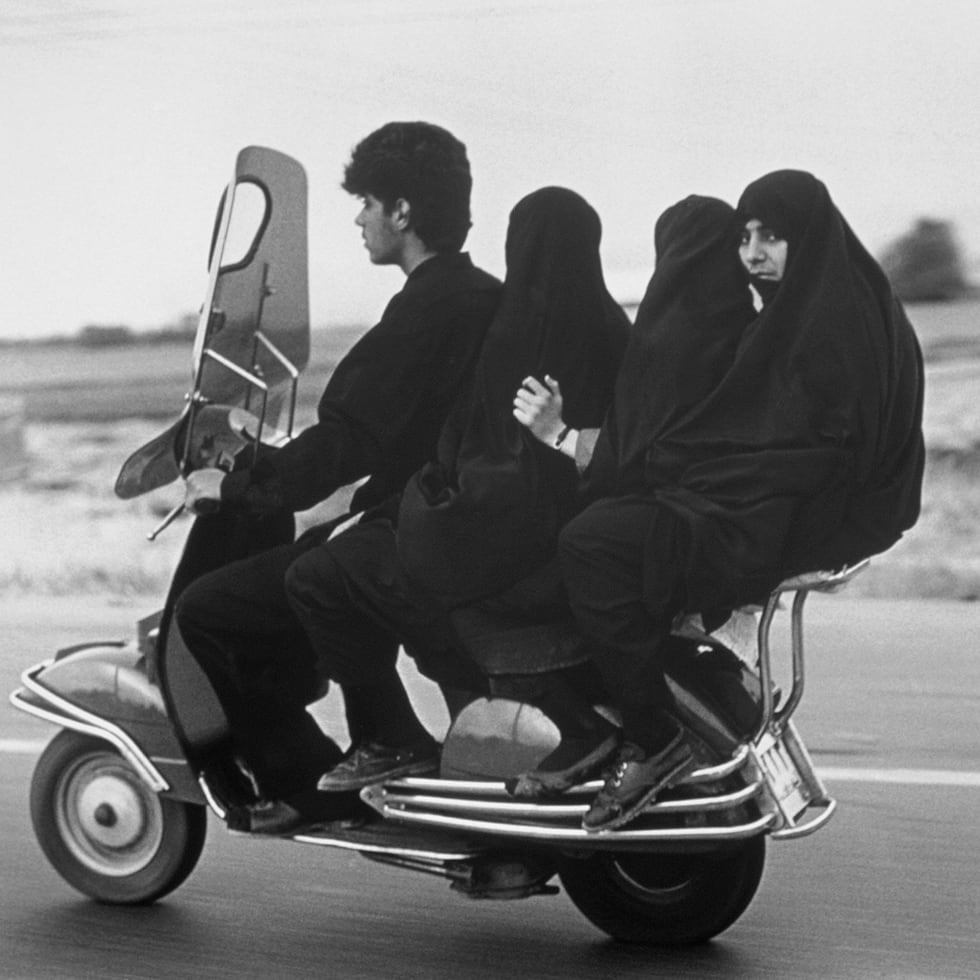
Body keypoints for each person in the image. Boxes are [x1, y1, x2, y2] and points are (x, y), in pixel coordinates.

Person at [516, 181, 924, 834]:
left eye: (771, 236)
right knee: (631, 525)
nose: (753, 254)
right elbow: (761, 436)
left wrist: (609, 455)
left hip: (803, 519)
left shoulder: (815, 328)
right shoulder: (843, 299)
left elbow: (776, 447)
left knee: (591, 542)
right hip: (845, 512)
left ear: (807, 236)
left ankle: (651, 738)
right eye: (745, 236)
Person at [172, 121, 501, 832]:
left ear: (403, 212)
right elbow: (398, 436)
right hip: (450, 517)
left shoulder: (424, 310)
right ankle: (374, 749)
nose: (358, 219)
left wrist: (233, 485)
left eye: (367, 203)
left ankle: (317, 786)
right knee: (312, 557)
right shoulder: (485, 296)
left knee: (210, 609)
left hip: (410, 532)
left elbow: (352, 438)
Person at [284, 186, 629, 791]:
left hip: (501, 539)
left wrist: (418, 504)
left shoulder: (518, 334)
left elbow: (491, 470)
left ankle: (390, 740)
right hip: (566, 533)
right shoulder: (614, 330)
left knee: (325, 572)